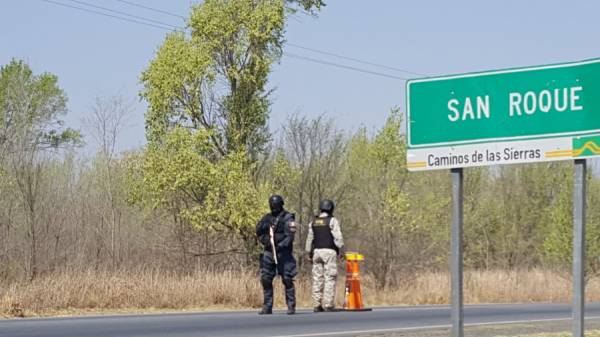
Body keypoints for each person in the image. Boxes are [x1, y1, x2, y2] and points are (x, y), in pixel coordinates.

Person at [256, 195, 297, 315]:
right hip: (269, 252)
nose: (274, 207)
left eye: (276, 205)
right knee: (266, 279)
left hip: (283, 253)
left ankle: (291, 306)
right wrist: (266, 241)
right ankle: (267, 306)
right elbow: (259, 231)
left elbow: (290, 237)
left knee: (287, 279)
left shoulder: (288, 218)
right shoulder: (267, 217)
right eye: (272, 205)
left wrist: (281, 246)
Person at [304, 199, 344, 312]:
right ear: (331, 208)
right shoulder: (332, 221)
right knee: (330, 278)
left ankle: (317, 304)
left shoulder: (314, 222)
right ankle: (328, 304)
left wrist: (308, 252)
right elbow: (338, 237)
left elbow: (309, 238)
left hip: (316, 252)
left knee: (317, 278)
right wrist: (341, 250)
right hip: (329, 252)